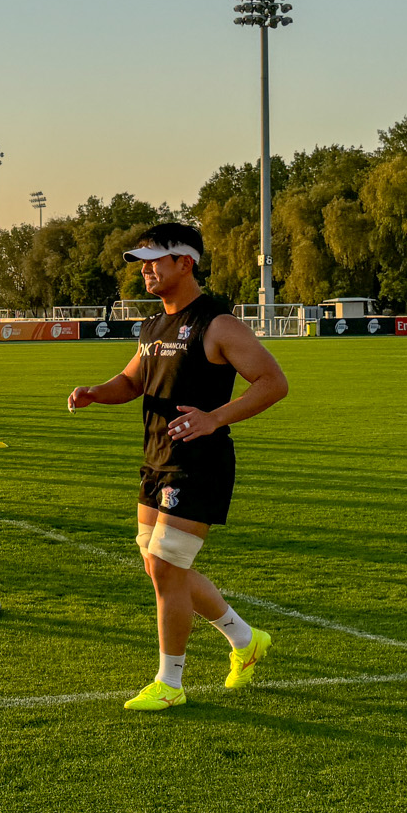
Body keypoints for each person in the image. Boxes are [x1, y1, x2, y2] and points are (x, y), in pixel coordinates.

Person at [67, 221, 289, 711]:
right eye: (142, 263)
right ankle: (246, 639)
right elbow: (131, 382)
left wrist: (214, 418)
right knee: (158, 564)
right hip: (156, 460)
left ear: (185, 263)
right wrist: (95, 393)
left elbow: (273, 382)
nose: (145, 271)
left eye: (154, 261)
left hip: (199, 464)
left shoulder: (218, 324)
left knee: (167, 567)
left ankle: (170, 683)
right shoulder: (153, 326)